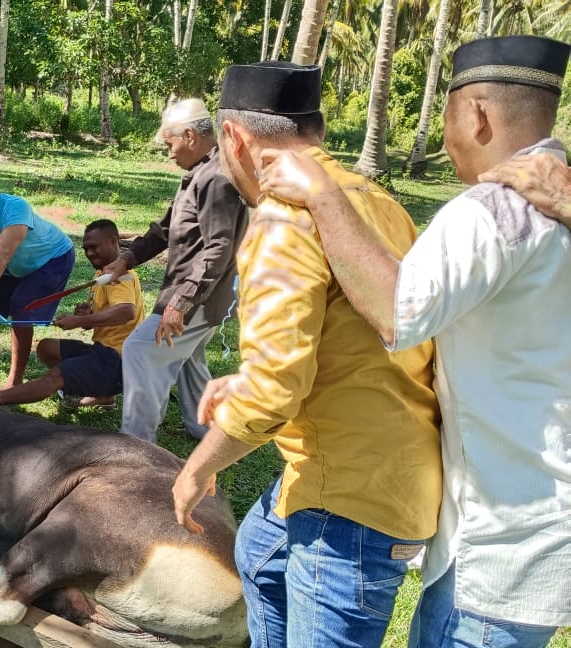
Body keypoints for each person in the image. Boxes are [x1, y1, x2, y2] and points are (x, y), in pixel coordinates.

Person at [257, 35, 571, 646]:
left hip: (500, 537)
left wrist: (322, 194)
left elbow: (398, 313)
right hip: (540, 520)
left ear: (475, 112)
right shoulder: (556, 202)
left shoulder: (492, 209)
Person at [170, 61, 442, 647]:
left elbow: (275, 394)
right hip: (395, 466)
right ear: (315, 129)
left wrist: (196, 471)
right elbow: (348, 334)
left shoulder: (283, 220)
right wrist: (245, 378)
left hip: (344, 506)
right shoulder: (377, 199)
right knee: (259, 552)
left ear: (234, 138)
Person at [101, 98, 247, 442]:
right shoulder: (200, 173)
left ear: (190, 136)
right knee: (188, 356)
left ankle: (137, 443)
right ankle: (206, 427)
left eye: (170, 144)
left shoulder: (216, 178)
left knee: (141, 350)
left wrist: (180, 304)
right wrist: (127, 258)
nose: (169, 153)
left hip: (199, 296)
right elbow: (165, 229)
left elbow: (218, 248)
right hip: (202, 295)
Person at [0, 219, 142, 407]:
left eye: (94, 247)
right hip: (104, 350)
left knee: (54, 377)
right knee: (46, 348)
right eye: (86, 249)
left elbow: (126, 311)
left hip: (117, 361)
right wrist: (86, 317)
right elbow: (110, 317)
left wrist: (77, 321)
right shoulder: (102, 274)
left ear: (113, 242)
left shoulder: (120, 278)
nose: (90, 253)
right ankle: (103, 394)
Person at [0, 160, 75, 388]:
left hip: (53, 258)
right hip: (16, 265)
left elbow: (3, 254)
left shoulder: (16, 207)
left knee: (21, 305)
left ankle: (15, 379)